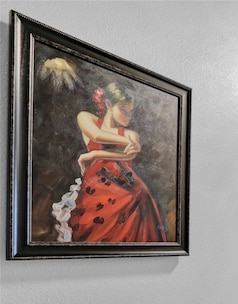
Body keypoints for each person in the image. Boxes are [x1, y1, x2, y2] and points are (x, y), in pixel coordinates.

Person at [52, 81, 168, 243]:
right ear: (108, 104)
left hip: (127, 189)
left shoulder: (131, 134)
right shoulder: (86, 118)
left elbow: (129, 157)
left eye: (130, 112)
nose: (127, 116)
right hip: (96, 187)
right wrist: (127, 144)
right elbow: (97, 136)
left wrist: (95, 154)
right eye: (123, 110)